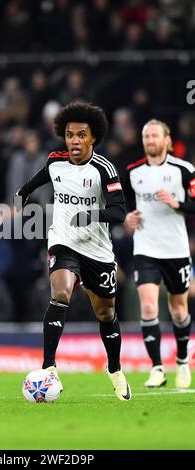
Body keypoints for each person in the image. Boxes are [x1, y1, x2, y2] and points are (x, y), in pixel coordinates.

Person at [15, 101, 131, 401]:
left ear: (93, 138)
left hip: (97, 249)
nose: (75, 141)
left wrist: (92, 215)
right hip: (63, 241)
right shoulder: (55, 161)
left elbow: (119, 211)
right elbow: (36, 180)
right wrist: (21, 195)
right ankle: (49, 366)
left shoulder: (104, 169)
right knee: (61, 293)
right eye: (69, 135)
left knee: (105, 313)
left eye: (81, 135)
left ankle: (115, 369)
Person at [125, 119, 194, 388]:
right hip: (146, 247)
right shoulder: (133, 172)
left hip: (175, 248)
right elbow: (124, 205)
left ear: (167, 140)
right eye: (146, 136)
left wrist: (178, 204)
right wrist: (127, 218)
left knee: (178, 310)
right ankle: (156, 368)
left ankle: (182, 361)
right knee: (149, 306)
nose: (149, 140)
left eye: (154, 135)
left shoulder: (184, 170)